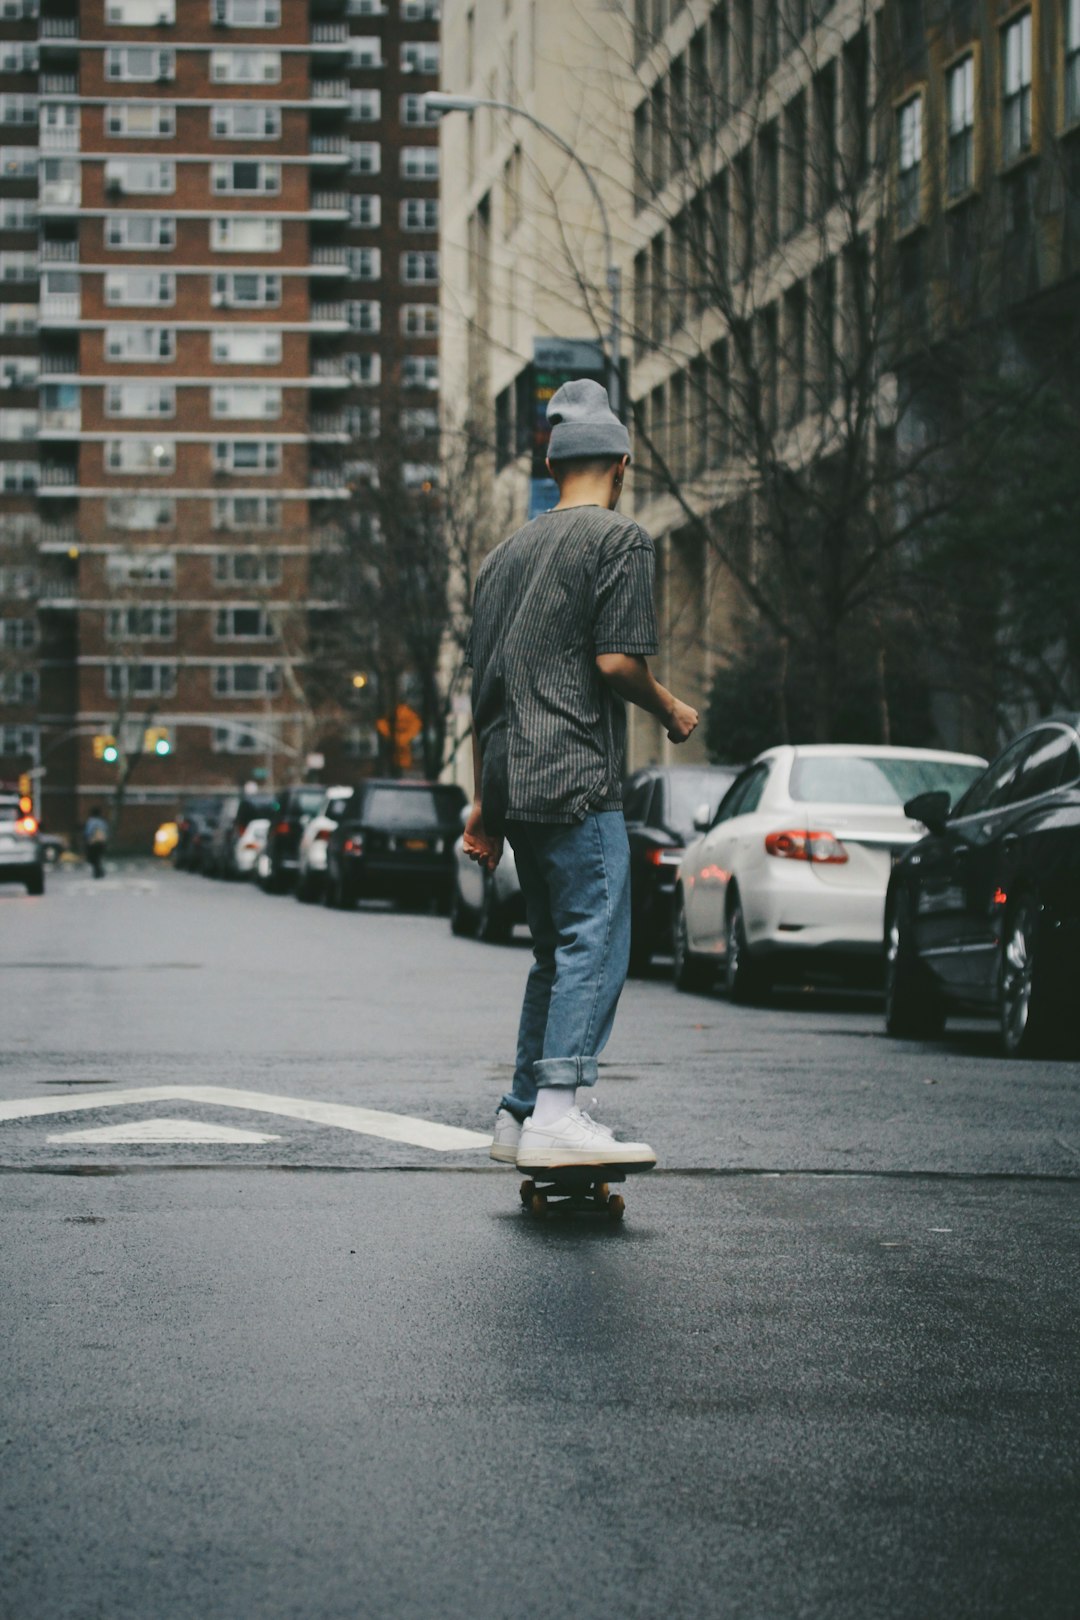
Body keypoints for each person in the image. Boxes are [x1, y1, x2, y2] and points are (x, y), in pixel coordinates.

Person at [463, 377, 700, 1173]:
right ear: (623, 462)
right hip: (577, 777)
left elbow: (485, 694)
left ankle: (521, 1110)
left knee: (552, 954)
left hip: (516, 784)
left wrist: (484, 807)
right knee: (595, 941)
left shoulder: (501, 559)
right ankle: (560, 1111)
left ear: (553, 463)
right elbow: (614, 661)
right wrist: (666, 706)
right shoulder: (619, 540)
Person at [83, 806, 109, 880]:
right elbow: (106, 831)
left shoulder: (90, 821)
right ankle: (99, 871)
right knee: (98, 857)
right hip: (101, 842)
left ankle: (98, 872)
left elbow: (87, 832)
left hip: (93, 843)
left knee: (92, 858)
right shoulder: (102, 821)